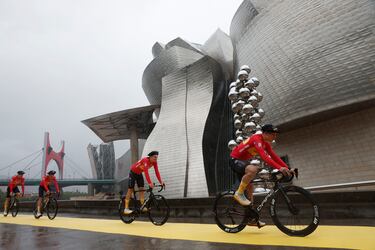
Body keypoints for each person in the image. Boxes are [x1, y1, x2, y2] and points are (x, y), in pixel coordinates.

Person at [230, 124, 293, 227]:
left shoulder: (266, 144)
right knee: (253, 169)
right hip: (235, 160)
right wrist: (279, 168)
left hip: (243, 162)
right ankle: (239, 193)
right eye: (273, 134)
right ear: (265, 133)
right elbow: (264, 156)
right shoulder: (256, 138)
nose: (275, 137)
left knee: (251, 193)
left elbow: (274, 156)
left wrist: (288, 168)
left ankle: (251, 219)